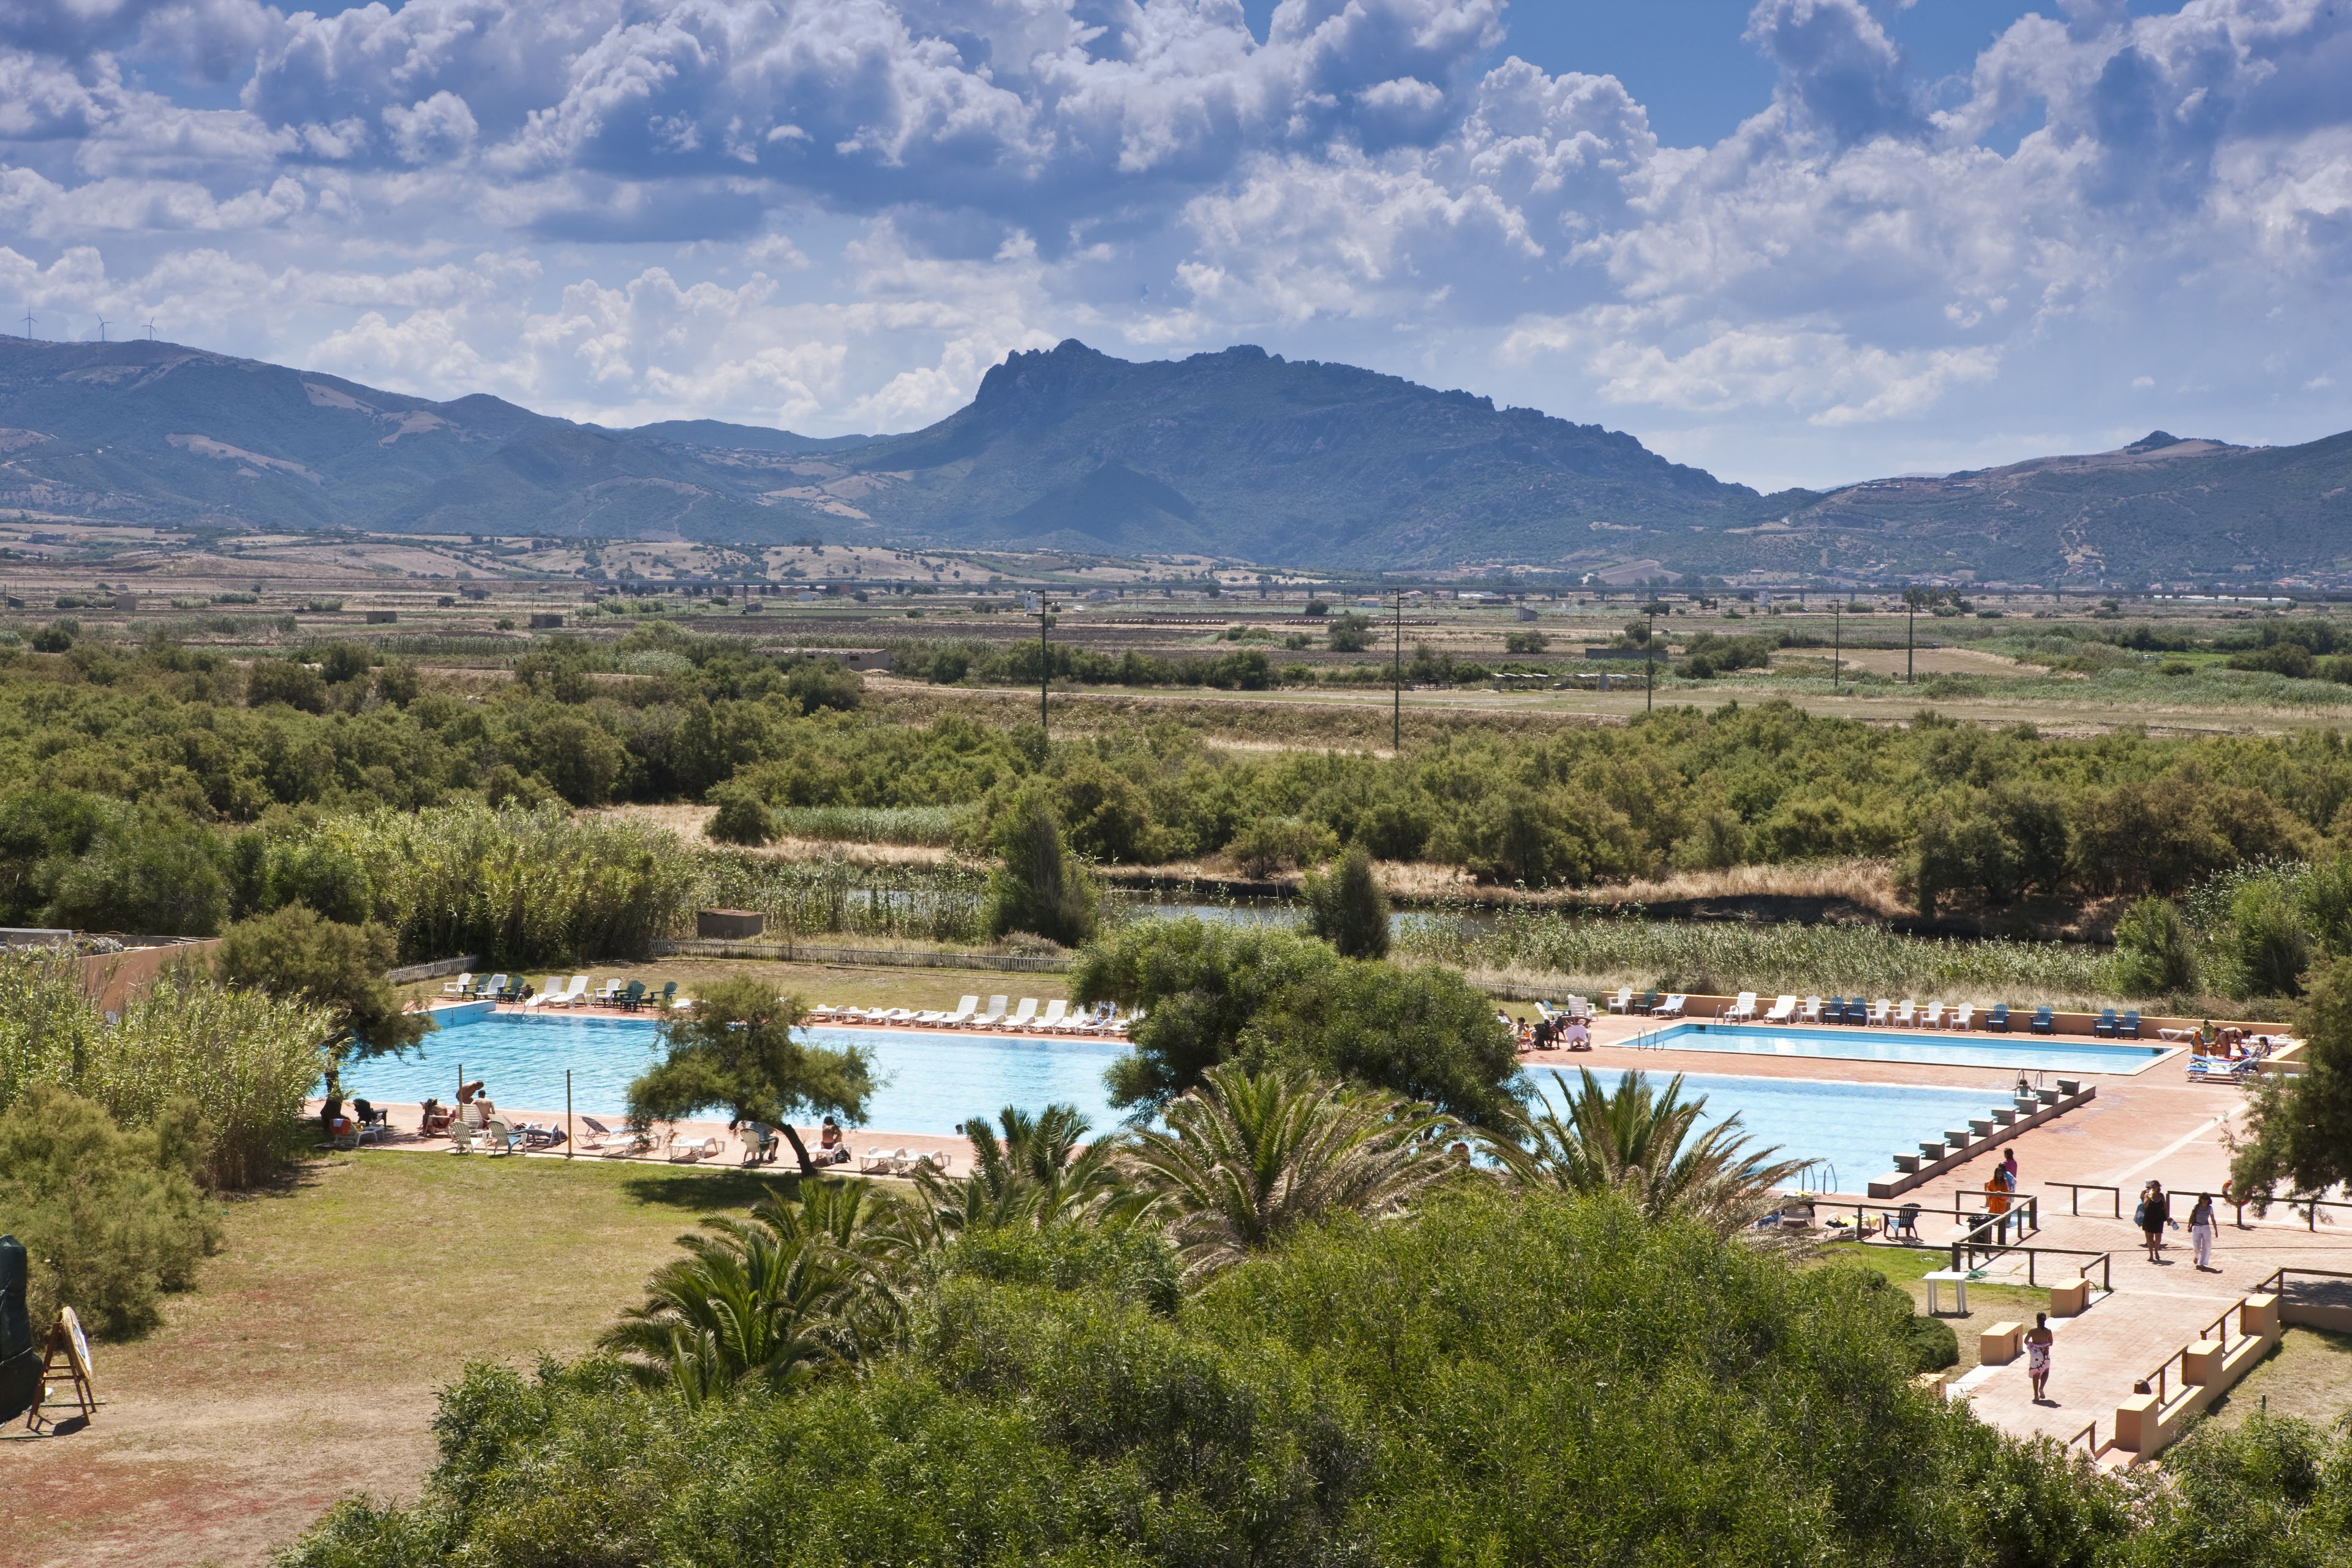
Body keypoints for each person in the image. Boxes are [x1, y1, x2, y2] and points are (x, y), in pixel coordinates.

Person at [2136, 1180, 2170, 1262]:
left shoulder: (2161, 1196)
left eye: (2155, 1186)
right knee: (2150, 1237)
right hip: (2149, 1218)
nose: (2153, 1188)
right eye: (2152, 1187)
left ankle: (2156, 1250)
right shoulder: (2147, 1195)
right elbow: (2145, 1206)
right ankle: (2151, 1255)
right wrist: (2149, 1197)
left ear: (2158, 1187)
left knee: (2158, 1237)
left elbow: (2165, 1207)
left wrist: (2168, 1217)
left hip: (2159, 1218)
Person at [2026, 1313, 2055, 1405]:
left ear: (2037, 1320)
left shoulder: (2032, 1331)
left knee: (2036, 1373)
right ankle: (2041, 1388)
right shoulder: (2048, 1332)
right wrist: (2043, 1345)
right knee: (2046, 1371)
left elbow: (2026, 1341)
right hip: (2045, 1354)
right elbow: (2051, 1343)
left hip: (2035, 1355)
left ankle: (2035, 1395)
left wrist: (2033, 1345)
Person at [2189, 1192, 2218, 1272]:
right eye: (2203, 1199)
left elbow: (2213, 1219)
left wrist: (2216, 1230)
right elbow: (2192, 1216)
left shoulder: (2210, 1208)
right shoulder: (2196, 1206)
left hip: (2206, 1228)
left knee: (2206, 1245)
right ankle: (2197, 1256)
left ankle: (2202, 1263)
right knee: (2196, 1245)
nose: (2204, 1201)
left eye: (2206, 1199)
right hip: (2197, 1227)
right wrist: (2189, 1225)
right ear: (2201, 1199)